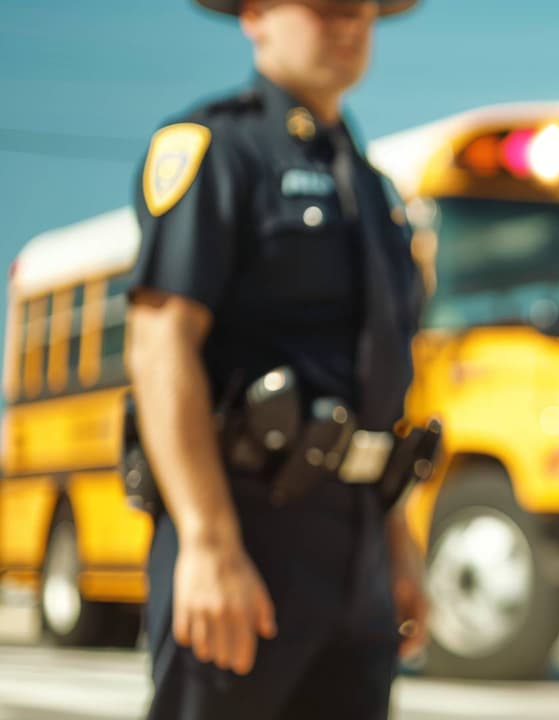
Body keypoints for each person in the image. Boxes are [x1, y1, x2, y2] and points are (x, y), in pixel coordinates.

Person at [125, 1, 429, 718]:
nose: (349, 24)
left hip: (357, 545)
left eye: (363, 11)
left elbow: (375, 380)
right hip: (247, 528)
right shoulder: (217, 148)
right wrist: (208, 542)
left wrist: (395, 544)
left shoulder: (375, 189)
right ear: (256, 15)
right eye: (326, 7)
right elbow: (160, 344)